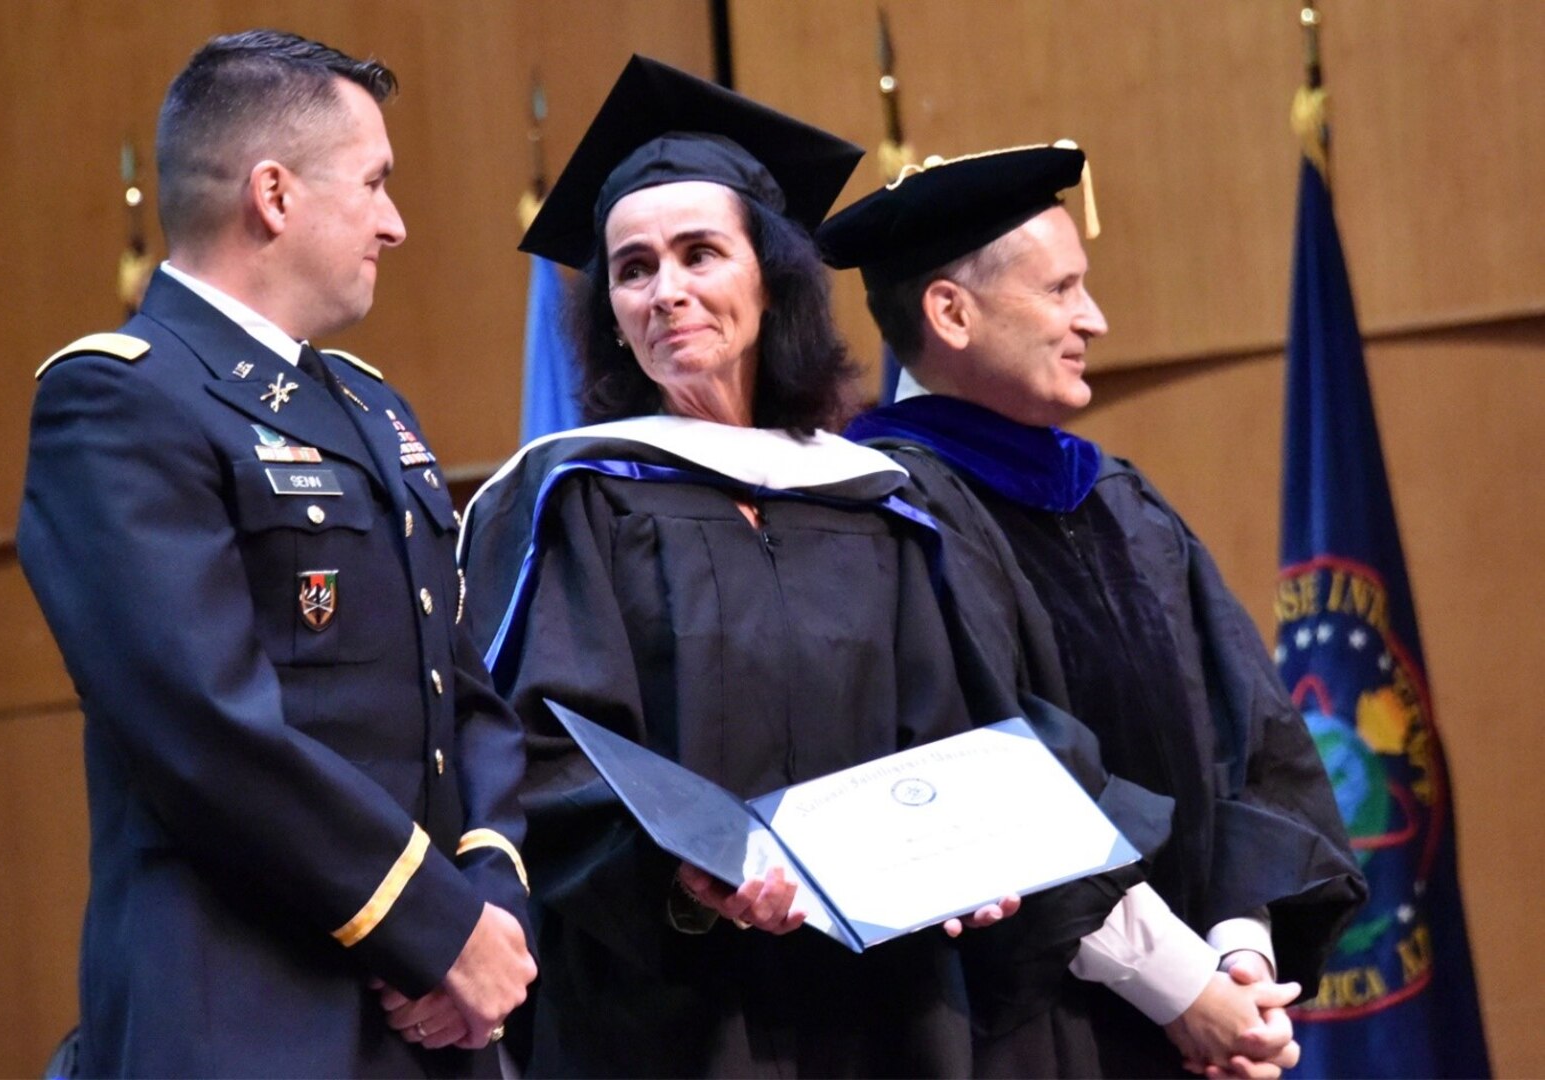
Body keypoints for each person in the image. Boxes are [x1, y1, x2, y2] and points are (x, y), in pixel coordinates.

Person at [457, 57, 1148, 1078]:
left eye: (700, 254)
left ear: (770, 275)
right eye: (633, 269)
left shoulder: (877, 497)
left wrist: (984, 854)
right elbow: (542, 746)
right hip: (670, 1009)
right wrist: (689, 871)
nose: (667, 293)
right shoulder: (570, 495)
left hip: (890, 999)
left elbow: (972, 713)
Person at [16, 30, 536, 1076]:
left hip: (431, 1024)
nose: (395, 222)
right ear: (275, 193)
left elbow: (463, 693)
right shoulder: (121, 396)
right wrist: (438, 931)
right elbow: (203, 727)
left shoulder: (370, 407)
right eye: (376, 182)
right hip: (246, 1014)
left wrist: (492, 902)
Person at [820, 144, 1368, 1078]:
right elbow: (986, 772)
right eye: (1061, 289)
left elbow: (1249, 736)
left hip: (1202, 1025)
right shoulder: (877, 520)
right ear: (950, 312)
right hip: (1025, 1031)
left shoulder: (1116, 497)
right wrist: (1178, 987)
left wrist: (1239, 956)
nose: (1095, 319)